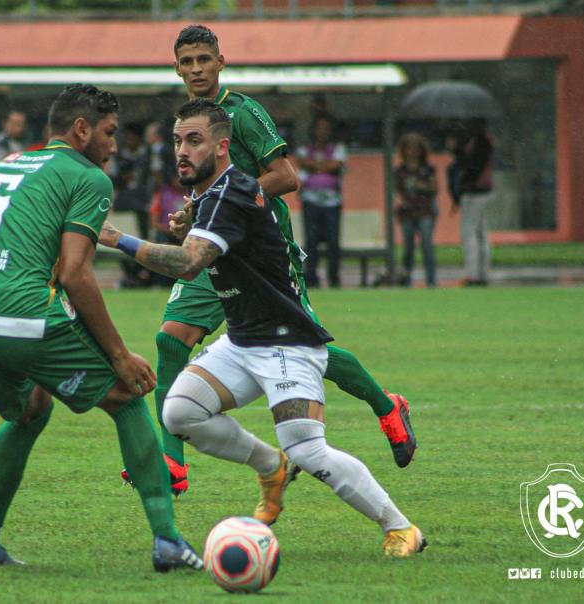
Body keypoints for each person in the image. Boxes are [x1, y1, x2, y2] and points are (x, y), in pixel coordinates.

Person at [101, 99, 426, 558]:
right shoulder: (213, 195)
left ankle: (401, 528)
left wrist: (117, 239)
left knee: (311, 452)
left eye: (194, 141)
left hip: (287, 344)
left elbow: (189, 264)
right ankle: (271, 466)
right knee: (179, 413)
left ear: (222, 146)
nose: (182, 151)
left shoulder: (231, 191)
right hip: (242, 341)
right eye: (177, 141)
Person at [0, 84, 202, 571]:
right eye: (110, 133)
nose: (114, 146)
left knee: (29, 410)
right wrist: (119, 355)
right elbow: (75, 273)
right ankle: (169, 543)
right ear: (81, 129)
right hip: (22, 312)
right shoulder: (87, 177)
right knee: (126, 394)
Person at [142, 25, 416, 498]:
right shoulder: (191, 120)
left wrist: (226, 199)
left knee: (305, 345)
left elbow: (286, 176)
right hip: (212, 247)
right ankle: (171, 463)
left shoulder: (244, 113)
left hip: (264, 252)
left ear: (221, 62)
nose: (195, 70)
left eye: (203, 60)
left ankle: (386, 404)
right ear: (176, 68)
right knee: (170, 342)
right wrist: (193, 213)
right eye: (186, 62)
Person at [295, 115, 348, 288]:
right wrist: (324, 165)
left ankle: (334, 278)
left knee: (333, 242)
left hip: (332, 202)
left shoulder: (338, 148)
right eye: (319, 128)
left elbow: (336, 165)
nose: (322, 132)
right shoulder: (305, 149)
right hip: (310, 201)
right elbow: (302, 162)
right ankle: (311, 278)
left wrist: (315, 166)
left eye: (326, 128)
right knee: (311, 241)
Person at [453, 118, 495, 286]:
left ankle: (473, 275)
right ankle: (482, 273)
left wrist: (458, 152)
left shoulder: (481, 142)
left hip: (475, 192)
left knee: (469, 233)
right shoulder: (485, 141)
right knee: (481, 233)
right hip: (483, 190)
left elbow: (472, 167)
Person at [394, 132, 438, 287]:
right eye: (409, 148)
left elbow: (434, 188)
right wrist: (399, 203)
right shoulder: (400, 171)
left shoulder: (427, 169)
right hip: (407, 213)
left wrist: (421, 186)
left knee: (427, 246)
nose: (412, 152)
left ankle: (431, 281)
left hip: (424, 211)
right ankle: (406, 281)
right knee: (408, 249)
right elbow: (396, 191)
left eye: (415, 148)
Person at [114, 122, 151, 239]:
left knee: (141, 234)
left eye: (132, 137)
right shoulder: (119, 155)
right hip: (124, 201)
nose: (130, 140)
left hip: (142, 200)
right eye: (128, 137)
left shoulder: (147, 155)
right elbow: (114, 178)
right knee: (123, 233)